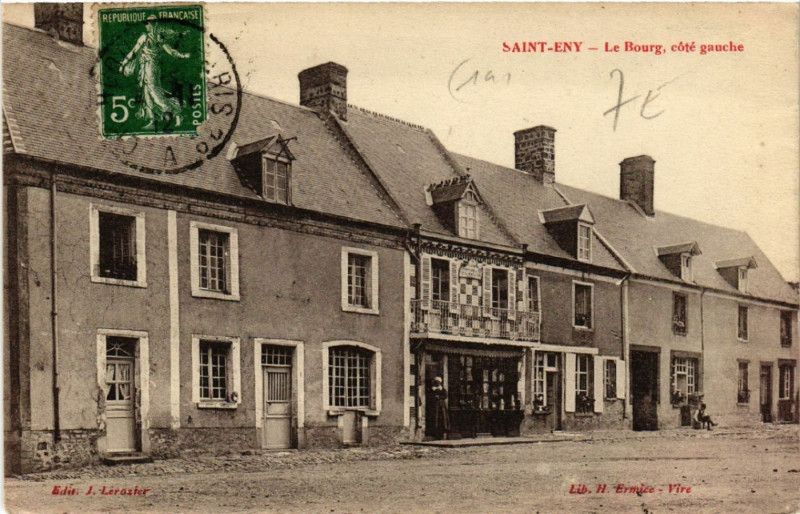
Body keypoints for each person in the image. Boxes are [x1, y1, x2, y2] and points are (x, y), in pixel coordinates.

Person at [119, 17, 190, 129]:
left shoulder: (157, 38)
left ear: (153, 25)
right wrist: (123, 63)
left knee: (154, 92)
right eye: (146, 23)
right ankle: (152, 120)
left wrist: (183, 56)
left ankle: (176, 111)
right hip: (145, 67)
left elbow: (170, 51)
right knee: (146, 92)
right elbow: (134, 51)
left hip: (151, 68)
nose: (146, 26)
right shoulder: (151, 37)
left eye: (148, 24)